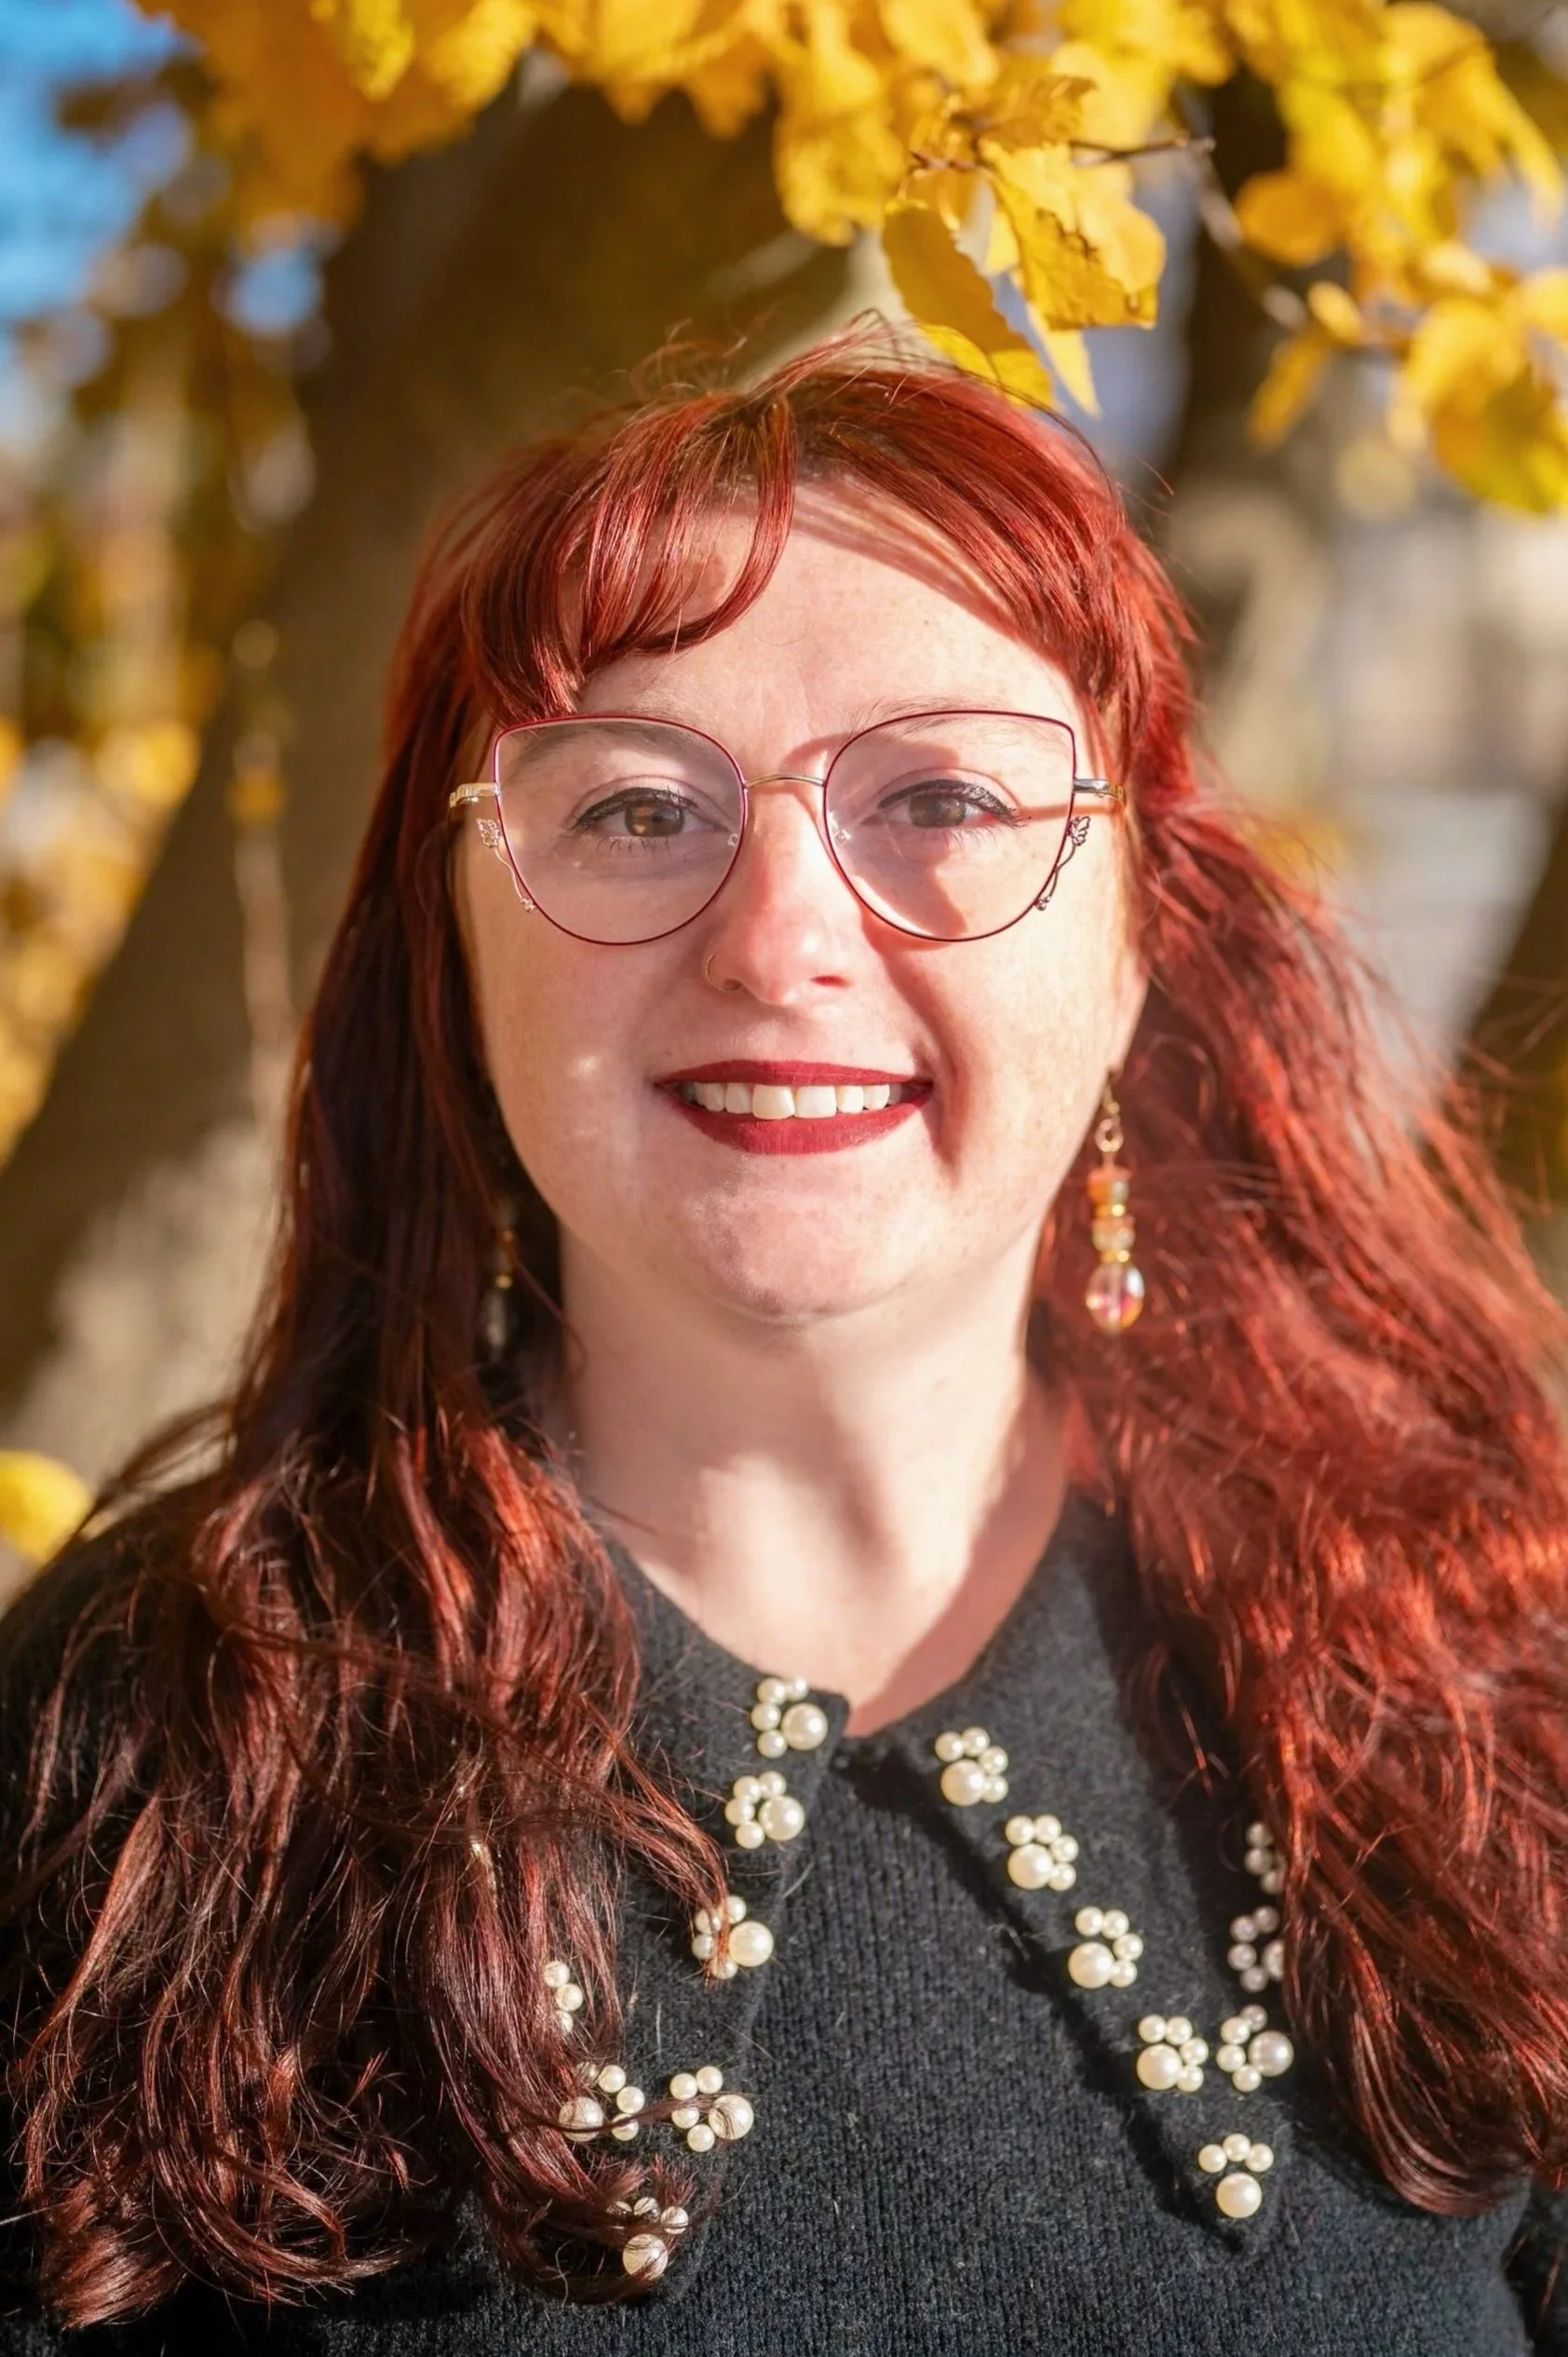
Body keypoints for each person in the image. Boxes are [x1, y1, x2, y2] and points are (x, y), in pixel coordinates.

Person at [2, 332, 1566, 2357]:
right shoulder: (148, 1740)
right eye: (638, 806)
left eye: (936, 794)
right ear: (448, 934)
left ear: (1139, 941)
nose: (776, 937)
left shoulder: (1478, 1680)